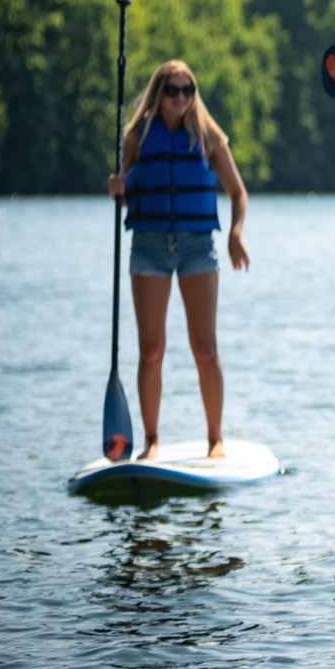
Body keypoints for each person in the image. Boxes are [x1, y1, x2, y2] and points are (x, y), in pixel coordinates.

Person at [107, 60, 250, 460]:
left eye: (188, 90)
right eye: (173, 90)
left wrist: (236, 235)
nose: (182, 98)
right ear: (158, 93)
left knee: (205, 347)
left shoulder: (208, 136)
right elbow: (123, 188)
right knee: (151, 348)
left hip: (196, 246)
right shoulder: (135, 137)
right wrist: (117, 188)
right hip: (149, 245)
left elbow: (238, 192)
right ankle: (152, 441)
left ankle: (215, 439)